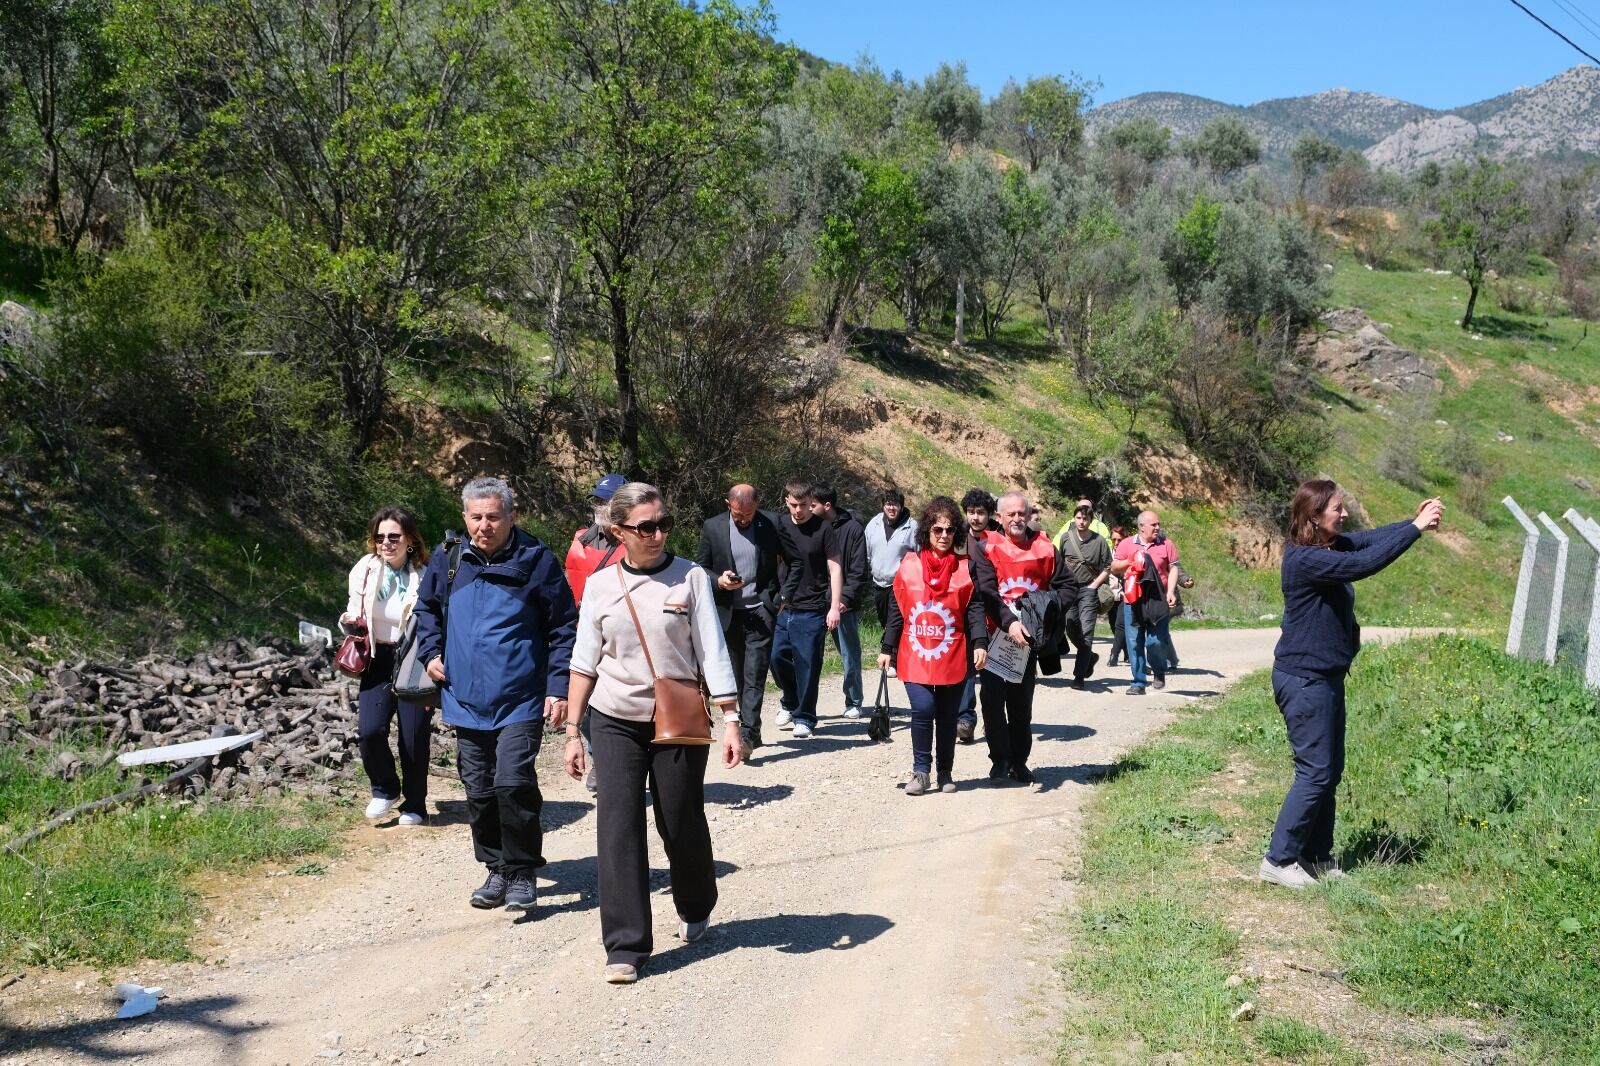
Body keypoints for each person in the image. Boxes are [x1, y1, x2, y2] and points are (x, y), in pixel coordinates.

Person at [562, 482, 741, 982]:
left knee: (680, 819)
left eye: (664, 524)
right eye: (646, 527)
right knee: (618, 826)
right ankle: (626, 945)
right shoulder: (600, 585)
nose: (658, 534)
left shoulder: (691, 578)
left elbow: (712, 651)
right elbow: (583, 661)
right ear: (618, 531)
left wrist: (731, 720)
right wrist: (573, 731)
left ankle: (696, 901)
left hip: (677, 718)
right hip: (614, 718)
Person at [1260, 483, 1443, 890]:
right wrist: (1416, 528)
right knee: (1315, 772)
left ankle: (1316, 856)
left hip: (1324, 677)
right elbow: (1365, 563)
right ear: (1314, 516)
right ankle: (1279, 859)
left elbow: (1369, 541)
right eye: (1336, 510)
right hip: (1304, 679)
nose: (1344, 515)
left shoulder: (1328, 546)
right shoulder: (1306, 559)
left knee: (1329, 771)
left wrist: (1412, 523)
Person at [413, 477, 577, 913]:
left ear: (512, 516)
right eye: (476, 517)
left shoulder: (536, 559)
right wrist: (430, 652)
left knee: (513, 783)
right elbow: (426, 609)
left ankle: (521, 872)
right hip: (463, 698)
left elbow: (563, 627)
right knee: (479, 789)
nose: (484, 526)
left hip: (521, 697)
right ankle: (496, 867)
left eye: (493, 517)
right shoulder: (448, 557)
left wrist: (557, 688)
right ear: (464, 517)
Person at [878, 497, 988, 796]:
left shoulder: (966, 568)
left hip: (953, 653)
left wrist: (980, 642)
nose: (944, 535)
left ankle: (945, 771)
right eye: (938, 529)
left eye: (950, 530)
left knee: (948, 715)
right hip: (915, 652)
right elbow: (897, 608)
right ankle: (921, 771)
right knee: (924, 708)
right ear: (927, 530)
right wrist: (887, 647)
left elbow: (975, 607)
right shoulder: (909, 566)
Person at [971, 491, 1080, 785]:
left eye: (1022, 513)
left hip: (1028, 641)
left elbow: (1069, 586)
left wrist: (1046, 611)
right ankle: (999, 760)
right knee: (992, 702)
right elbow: (986, 593)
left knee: (1021, 705)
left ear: (1029, 515)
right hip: (995, 638)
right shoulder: (986, 547)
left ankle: (1019, 761)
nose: (1017, 519)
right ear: (999, 517)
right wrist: (1010, 623)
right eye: (1011, 514)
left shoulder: (1045, 547)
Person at [340, 507, 432, 825]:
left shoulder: (425, 575)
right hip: (377, 658)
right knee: (370, 731)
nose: (386, 543)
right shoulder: (365, 569)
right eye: (380, 537)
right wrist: (348, 622)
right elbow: (354, 608)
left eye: (394, 537)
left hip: (415, 659)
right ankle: (385, 789)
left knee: (414, 737)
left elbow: (436, 619)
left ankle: (415, 804)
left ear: (410, 540)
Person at [697, 484, 783, 762]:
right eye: (738, 515)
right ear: (728, 505)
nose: (743, 520)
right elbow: (701, 567)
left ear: (757, 505)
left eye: (748, 514)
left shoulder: (772, 523)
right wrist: (719, 581)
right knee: (736, 676)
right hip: (729, 612)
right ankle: (751, 731)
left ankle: (747, 734)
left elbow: (794, 561)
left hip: (761, 610)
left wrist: (781, 597)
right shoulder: (713, 527)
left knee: (755, 674)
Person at [770, 480, 843, 739]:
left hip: (812, 608)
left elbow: (835, 568)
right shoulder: (780, 525)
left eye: (803, 505)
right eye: (793, 505)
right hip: (783, 606)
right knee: (776, 658)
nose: (798, 510)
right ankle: (790, 700)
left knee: (808, 665)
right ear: (786, 501)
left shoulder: (823, 529)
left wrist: (834, 607)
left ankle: (804, 717)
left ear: (811, 502)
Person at [812, 483, 869, 720]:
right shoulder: (809, 527)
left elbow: (859, 569)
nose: (807, 508)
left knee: (849, 654)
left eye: (812, 504)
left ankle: (854, 701)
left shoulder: (853, 529)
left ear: (827, 505)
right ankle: (799, 707)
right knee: (807, 655)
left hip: (844, 605)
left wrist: (844, 598)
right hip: (814, 602)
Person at [1111, 510, 1180, 696]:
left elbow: (1173, 568)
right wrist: (1130, 560)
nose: (1158, 527)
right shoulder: (1126, 544)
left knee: (1156, 641)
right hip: (1133, 601)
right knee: (1134, 642)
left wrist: (1171, 591)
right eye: (1153, 524)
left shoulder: (1166, 544)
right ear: (1142, 526)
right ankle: (1138, 682)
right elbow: (1114, 567)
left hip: (1158, 600)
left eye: (1158, 524)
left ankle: (1158, 670)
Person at [954, 488, 999, 743]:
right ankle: (966, 719)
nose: (975, 517)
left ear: (989, 514)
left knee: (994, 672)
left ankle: (994, 719)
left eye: (980, 512)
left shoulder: (999, 539)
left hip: (997, 612)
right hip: (969, 610)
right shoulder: (957, 538)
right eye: (971, 512)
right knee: (968, 666)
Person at [1057, 498, 1113, 689]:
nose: (1081, 521)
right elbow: (1059, 563)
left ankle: (1079, 676)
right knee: (1070, 626)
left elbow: (1108, 567)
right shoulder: (1066, 538)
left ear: (1091, 520)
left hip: (1089, 590)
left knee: (1087, 631)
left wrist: (1094, 585)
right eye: (1079, 518)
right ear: (1074, 519)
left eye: (1085, 518)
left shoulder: (1099, 541)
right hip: (1069, 590)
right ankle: (1089, 655)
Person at [565, 473, 627, 605]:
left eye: (605, 502)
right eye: (597, 501)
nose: (598, 507)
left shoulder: (635, 543)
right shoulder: (581, 539)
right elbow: (570, 581)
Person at [865, 488, 918, 630]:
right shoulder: (874, 523)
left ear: (901, 506)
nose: (891, 508)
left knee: (896, 624)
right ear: (883, 505)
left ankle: (892, 644)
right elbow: (867, 551)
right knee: (884, 622)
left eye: (895, 504)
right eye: (888, 504)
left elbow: (919, 556)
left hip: (900, 585)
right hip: (878, 584)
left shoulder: (912, 527)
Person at [1105, 526, 1129, 669]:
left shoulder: (1129, 555)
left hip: (1125, 595)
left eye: (1119, 540)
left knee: (1120, 624)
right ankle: (1127, 651)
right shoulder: (1107, 553)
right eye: (1113, 539)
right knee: (1114, 626)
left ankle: (1114, 655)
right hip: (1110, 596)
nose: (1116, 543)